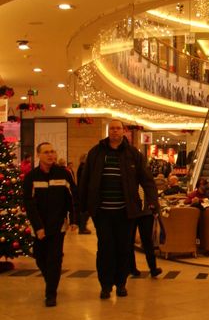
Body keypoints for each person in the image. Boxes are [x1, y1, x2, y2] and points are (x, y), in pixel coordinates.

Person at [79, 119, 159, 300]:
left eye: (118, 128)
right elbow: (85, 180)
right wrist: (82, 209)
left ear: (123, 132)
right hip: (102, 212)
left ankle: (121, 283)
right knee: (105, 248)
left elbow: (147, 180)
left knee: (124, 248)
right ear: (108, 131)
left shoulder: (133, 154)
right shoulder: (96, 152)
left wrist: (152, 201)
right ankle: (105, 285)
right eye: (112, 128)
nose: (115, 131)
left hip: (126, 212)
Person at [23, 142, 79, 307]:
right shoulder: (31, 177)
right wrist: (38, 227)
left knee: (54, 259)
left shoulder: (63, 174)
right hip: (39, 226)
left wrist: (74, 220)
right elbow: (29, 204)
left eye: (52, 151)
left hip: (58, 225)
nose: (50, 155)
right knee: (40, 258)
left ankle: (51, 293)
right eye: (46, 152)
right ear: (38, 155)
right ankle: (51, 280)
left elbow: (73, 197)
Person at [75, 153, 91, 234]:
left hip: (82, 191)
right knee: (85, 210)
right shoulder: (83, 167)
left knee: (85, 210)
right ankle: (82, 228)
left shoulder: (82, 166)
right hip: (84, 191)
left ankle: (83, 227)